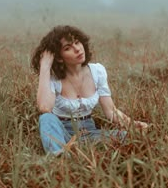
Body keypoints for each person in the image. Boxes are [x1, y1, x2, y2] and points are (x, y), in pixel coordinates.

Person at [31, 25, 148, 156]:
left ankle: (80, 150)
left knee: (126, 136)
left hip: (90, 133)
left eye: (77, 42)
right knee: (46, 118)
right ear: (59, 57)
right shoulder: (54, 80)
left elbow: (111, 111)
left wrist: (132, 124)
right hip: (63, 133)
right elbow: (44, 107)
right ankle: (60, 157)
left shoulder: (97, 71)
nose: (77, 49)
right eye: (68, 48)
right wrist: (45, 65)